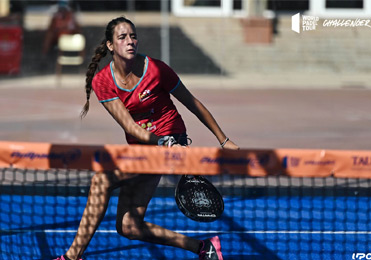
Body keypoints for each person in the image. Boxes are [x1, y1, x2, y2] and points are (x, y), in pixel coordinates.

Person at [54, 16, 239, 260]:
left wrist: (224, 140)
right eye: (122, 37)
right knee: (129, 226)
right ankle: (204, 248)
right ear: (110, 45)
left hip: (172, 139)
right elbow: (130, 127)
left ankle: (71, 257)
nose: (130, 41)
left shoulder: (157, 69)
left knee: (101, 181)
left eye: (133, 36)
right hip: (146, 146)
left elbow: (193, 104)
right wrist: (161, 143)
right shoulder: (103, 81)